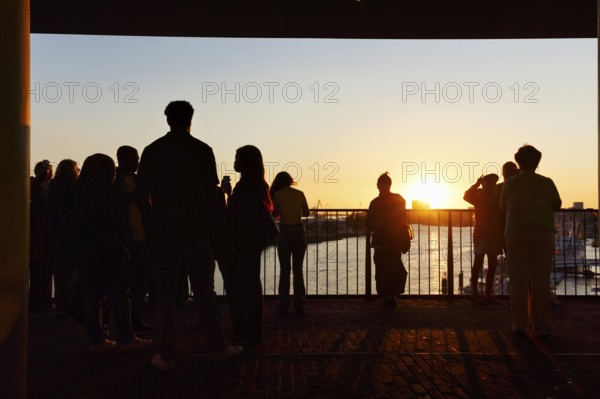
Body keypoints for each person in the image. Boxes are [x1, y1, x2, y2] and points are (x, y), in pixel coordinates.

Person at [137, 100, 242, 371]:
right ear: (191, 119)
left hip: (163, 234)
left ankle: (166, 354)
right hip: (195, 232)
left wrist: (153, 224)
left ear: (167, 120)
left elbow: (141, 193)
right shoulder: (202, 150)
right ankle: (217, 346)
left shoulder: (153, 150)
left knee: (166, 295)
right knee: (205, 291)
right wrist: (206, 221)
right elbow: (211, 192)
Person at [73, 153, 153, 353]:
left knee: (93, 295)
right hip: (109, 250)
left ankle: (97, 339)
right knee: (121, 293)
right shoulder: (105, 192)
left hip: (90, 251)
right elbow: (109, 225)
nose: (114, 173)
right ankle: (126, 337)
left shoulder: (83, 191)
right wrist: (120, 247)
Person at [500, 145, 561, 337]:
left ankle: (519, 324)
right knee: (541, 281)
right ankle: (541, 325)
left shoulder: (510, 183)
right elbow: (557, 204)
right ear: (538, 162)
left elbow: (502, 205)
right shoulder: (547, 182)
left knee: (518, 279)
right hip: (543, 232)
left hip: (516, 232)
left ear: (519, 162)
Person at [225, 145, 273, 344]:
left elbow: (235, 214)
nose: (234, 162)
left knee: (245, 285)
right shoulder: (258, 185)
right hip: (253, 239)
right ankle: (252, 331)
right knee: (251, 283)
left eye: (237, 158)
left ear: (246, 162)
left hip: (244, 240)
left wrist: (228, 194)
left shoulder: (245, 187)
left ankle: (249, 332)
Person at [114, 146, 154, 334]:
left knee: (140, 282)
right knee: (123, 284)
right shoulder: (113, 180)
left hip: (142, 237)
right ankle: (125, 325)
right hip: (123, 239)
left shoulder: (139, 180)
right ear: (124, 158)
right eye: (135, 158)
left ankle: (135, 321)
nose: (138, 162)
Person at [270, 171, 309, 313]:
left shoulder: (277, 195)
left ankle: (284, 302)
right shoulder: (300, 193)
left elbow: (274, 214)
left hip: (285, 231)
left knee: (284, 270)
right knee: (298, 269)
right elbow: (307, 212)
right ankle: (299, 302)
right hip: (299, 231)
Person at [367, 172, 408, 308]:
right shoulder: (399, 200)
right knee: (395, 267)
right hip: (395, 239)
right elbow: (403, 221)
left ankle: (385, 295)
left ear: (378, 186)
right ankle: (392, 294)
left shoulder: (374, 203)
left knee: (381, 269)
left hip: (380, 241)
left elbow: (370, 224)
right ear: (390, 185)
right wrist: (405, 239)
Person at [464, 174, 504, 304]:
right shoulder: (497, 195)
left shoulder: (479, 196)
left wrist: (476, 184)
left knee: (479, 262)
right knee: (491, 262)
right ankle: (487, 294)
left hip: (482, 232)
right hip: (492, 232)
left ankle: (475, 293)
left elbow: (466, 195)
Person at [47, 159, 79, 313]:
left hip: (56, 232)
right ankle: (70, 303)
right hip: (72, 232)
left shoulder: (52, 186)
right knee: (72, 269)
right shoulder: (75, 186)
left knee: (59, 271)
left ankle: (60, 303)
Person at [29, 160, 54, 312]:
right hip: (40, 234)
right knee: (40, 270)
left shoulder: (47, 187)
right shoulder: (37, 186)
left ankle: (41, 301)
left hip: (42, 235)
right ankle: (40, 302)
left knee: (42, 270)